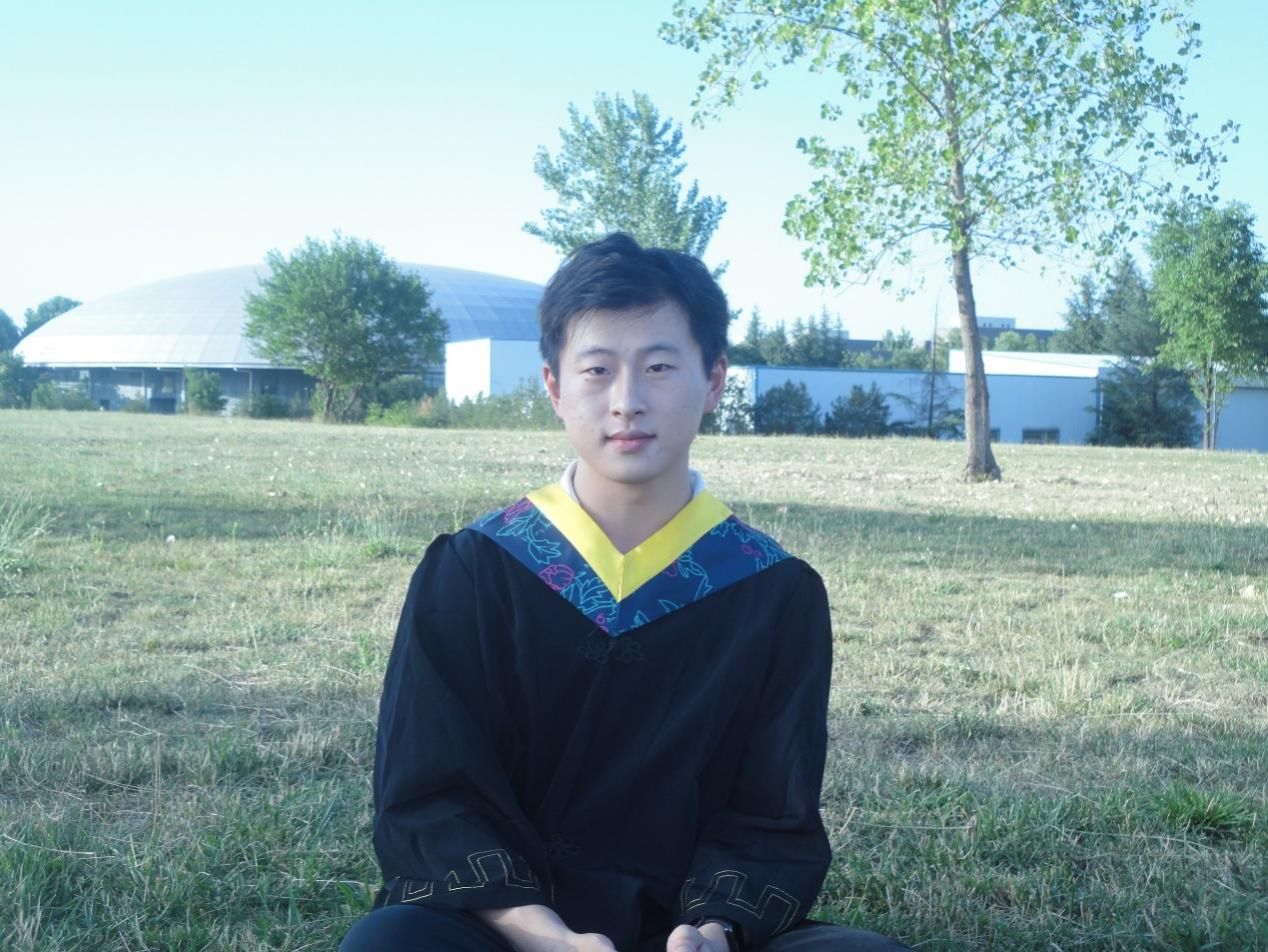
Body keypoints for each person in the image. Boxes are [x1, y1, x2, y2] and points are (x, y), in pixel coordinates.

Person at [340, 234, 909, 952]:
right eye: (597, 370)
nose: (627, 402)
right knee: (391, 942)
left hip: (689, 938)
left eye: (659, 367)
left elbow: (771, 816)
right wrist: (541, 934)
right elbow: (429, 793)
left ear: (714, 382)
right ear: (554, 387)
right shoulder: (476, 570)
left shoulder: (772, 591)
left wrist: (714, 932)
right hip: (503, 933)